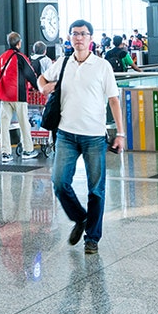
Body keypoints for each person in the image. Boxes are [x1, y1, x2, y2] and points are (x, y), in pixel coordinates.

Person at [37, 20, 125, 256]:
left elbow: (114, 100)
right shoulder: (63, 62)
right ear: (70, 38)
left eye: (83, 34)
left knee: (96, 189)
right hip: (66, 134)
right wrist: (45, 86)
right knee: (59, 182)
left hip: (94, 136)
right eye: (75, 34)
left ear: (91, 39)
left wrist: (121, 133)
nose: (78, 38)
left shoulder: (102, 66)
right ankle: (81, 218)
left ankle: (92, 238)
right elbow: (41, 80)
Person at [0, 32, 41, 162]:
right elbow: (30, 74)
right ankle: (28, 150)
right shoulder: (20, 57)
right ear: (19, 43)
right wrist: (39, 87)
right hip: (18, 94)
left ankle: (5, 153)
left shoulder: (2, 57)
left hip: (4, 95)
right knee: (24, 123)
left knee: (4, 125)